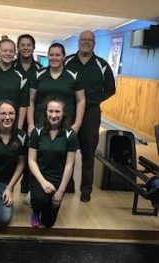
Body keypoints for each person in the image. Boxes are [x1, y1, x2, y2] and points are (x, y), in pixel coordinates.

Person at [64, 30, 116, 202]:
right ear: (79, 42)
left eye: (90, 40)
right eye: (83, 40)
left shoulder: (102, 65)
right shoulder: (68, 61)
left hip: (91, 114)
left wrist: (91, 100)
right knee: (66, 150)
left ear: (94, 43)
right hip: (69, 112)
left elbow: (110, 89)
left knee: (88, 153)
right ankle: (68, 186)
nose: (86, 42)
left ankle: (85, 191)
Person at [27, 42, 85, 193]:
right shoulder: (39, 74)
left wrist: (77, 124)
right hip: (41, 124)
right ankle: (36, 190)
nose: (54, 58)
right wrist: (31, 124)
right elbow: (31, 101)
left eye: (58, 55)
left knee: (61, 160)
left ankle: (59, 190)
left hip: (64, 125)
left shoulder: (73, 76)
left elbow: (81, 100)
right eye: (51, 55)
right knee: (39, 157)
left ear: (64, 57)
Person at [28, 98, 79, 228]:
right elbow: (31, 160)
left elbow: (69, 165)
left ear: (63, 114)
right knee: (40, 200)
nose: (54, 115)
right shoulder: (37, 132)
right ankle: (35, 208)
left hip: (58, 180)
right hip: (39, 177)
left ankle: (44, 202)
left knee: (48, 223)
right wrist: (42, 182)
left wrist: (60, 192)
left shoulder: (70, 135)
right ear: (45, 113)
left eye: (57, 111)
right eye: (50, 111)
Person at [14, 34, 43, 194]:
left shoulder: (39, 69)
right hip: (13, 116)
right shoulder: (11, 66)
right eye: (22, 45)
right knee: (14, 149)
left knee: (30, 151)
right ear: (18, 47)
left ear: (33, 47)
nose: (25, 47)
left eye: (28, 45)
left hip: (33, 117)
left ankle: (26, 186)